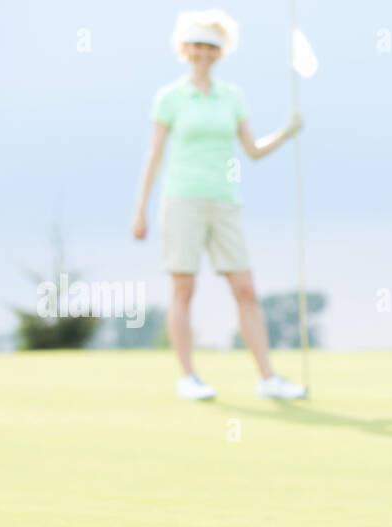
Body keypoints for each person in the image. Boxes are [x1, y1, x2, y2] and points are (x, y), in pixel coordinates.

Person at [132, 9, 308, 401]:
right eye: (196, 45)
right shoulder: (170, 98)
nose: (202, 52)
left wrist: (286, 131)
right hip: (182, 199)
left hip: (225, 200)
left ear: (220, 51)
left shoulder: (233, 97)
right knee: (184, 289)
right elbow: (154, 155)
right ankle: (189, 377)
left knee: (245, 289)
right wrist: (140, 208)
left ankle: (268, 379)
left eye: (210, 46)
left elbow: (253, 150)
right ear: (184, 48)